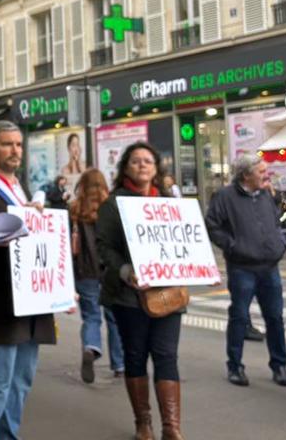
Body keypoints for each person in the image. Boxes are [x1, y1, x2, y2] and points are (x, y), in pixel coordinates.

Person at [0, 121, 56, 440]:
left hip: (32, 300)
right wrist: (9, 227)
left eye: (18, 144)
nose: (15, 150)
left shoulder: (22, 188)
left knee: (21, 382)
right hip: (2, 300)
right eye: (7, 144)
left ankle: (8, 436)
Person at [96, 142, 185, 440]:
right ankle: (143, 423)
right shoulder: (113, 203)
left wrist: (198, 268)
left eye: (148, 160)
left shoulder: (169, 202)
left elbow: (185, 241)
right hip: (128, 296)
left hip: (168, 294)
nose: (143, 165)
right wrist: (124, 271)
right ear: (126, 168)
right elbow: (104, 247)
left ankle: (171, 428)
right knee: (135, 356)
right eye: (136, 161)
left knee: (166, 355)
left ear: (157, 167)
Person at [206, 155, 286, 389]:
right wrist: (232, 246)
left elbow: (280, 219)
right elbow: (212, 225)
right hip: (242, 267)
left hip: (269, 266)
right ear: (246, 175)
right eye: (261, 171)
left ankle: (279, 365)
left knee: (275, 317)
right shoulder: (225, 196)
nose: (267, 175)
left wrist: (281, 242)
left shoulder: (267, 194)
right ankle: (235, 366)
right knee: (240, 317)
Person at [71, 168, 125, 383]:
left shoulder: (73, 210)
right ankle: (120, 365)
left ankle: (91, 348)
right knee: (114, 318)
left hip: (84, 271)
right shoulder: (112, 209)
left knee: (91, 315)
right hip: (109, 270)